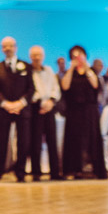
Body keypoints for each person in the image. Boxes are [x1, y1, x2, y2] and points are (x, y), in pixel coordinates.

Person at [0, 36, 34, 183]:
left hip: (22, 110)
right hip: (5, 110)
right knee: (1, 141)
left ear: (15, 47)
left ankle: (20, 172)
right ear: (2, 49)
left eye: (10, 46)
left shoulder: (26, 66)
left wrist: (20, 103)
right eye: (4, 46)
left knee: (23, 141)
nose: (7, 48)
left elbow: (31, 88)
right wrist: (5, 104)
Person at [61, 45, 107, 180]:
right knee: (73, 139)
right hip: (74, 109)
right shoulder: (70, 72)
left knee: (93, 139)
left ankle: (96, 169)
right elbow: (65, 86)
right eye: (74, 56)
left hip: (90, 109)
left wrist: (86, 68)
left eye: (80, 55)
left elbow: (95, 85)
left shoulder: (91, 71)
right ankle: (73, 170)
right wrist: (71, 68)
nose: (78, 58)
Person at [28, 45, 61, 181]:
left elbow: (55, 88)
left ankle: (55, 173)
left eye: (39, 55)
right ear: (31, 57)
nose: (37, 58)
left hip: (49, 107)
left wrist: (51, 102)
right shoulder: (29, 72)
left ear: (43, 56)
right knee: (35, 142)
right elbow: (31, 90)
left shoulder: (48, 70)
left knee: (52, 141)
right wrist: (41, 103)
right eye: (34, 55)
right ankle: (36, 172)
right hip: (36, 109)